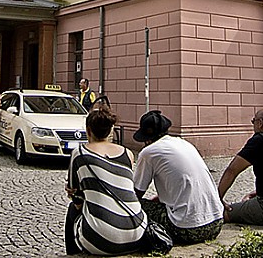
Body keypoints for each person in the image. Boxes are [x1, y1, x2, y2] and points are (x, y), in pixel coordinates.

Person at [132, 110, 224, 244]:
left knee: (136, 206)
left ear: (148, 139)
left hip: (186, 229)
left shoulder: (149, 152)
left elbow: (136, 194)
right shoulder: (184, 144)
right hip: (216, 223)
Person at [65, 105, 145, 255]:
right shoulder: (128, 154)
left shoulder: (80, 153)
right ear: (110, 130)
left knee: (72, 209)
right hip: (137, 233)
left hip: (102, 240)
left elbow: (76, 200)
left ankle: (73, 254)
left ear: (88, 130)